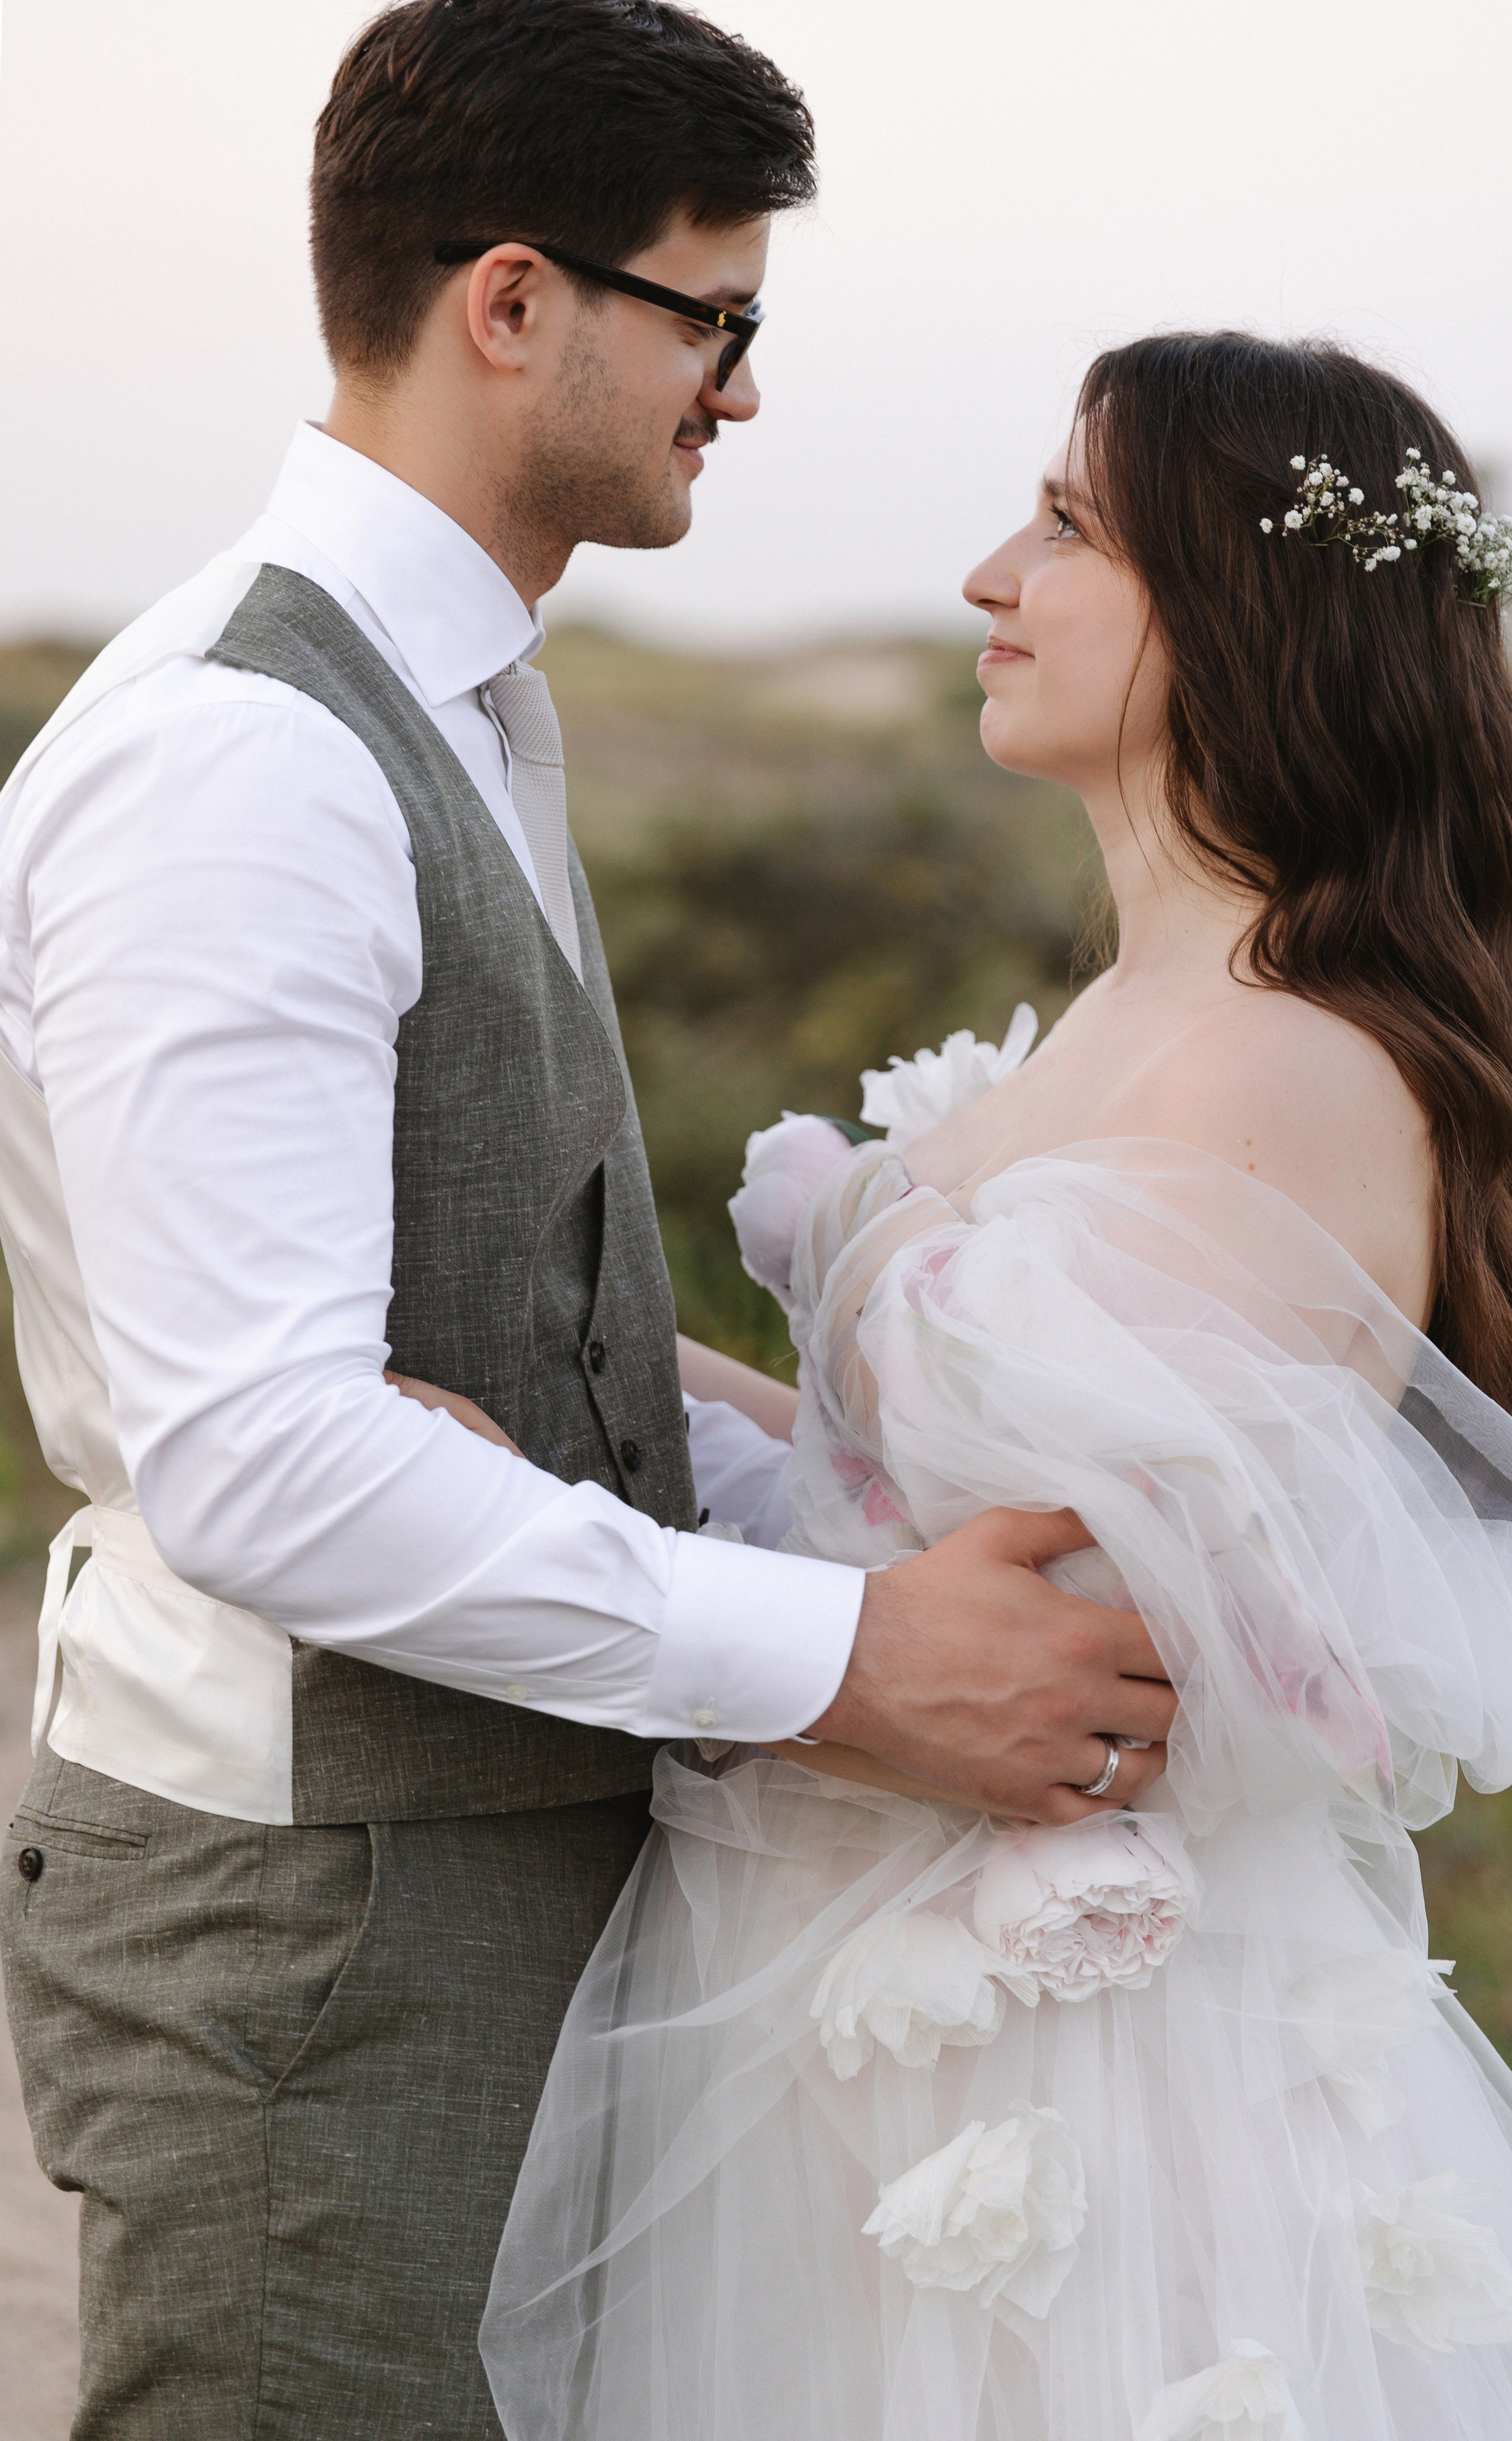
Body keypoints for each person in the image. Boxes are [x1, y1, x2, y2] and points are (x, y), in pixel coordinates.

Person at [0, 6, 1175, 2433]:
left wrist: (875, 1539)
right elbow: (264, 1460)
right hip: (312, 1928)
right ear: (512, 303)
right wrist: (846, 1663)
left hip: (477, 1859)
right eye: (712, 315)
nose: (741, 388)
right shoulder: (250, 757)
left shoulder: (453, 706)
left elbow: (498, 1321)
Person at [480, 334, 1512, 2440]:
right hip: (874, 1953)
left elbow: (1078, 1621)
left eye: (1072, 526)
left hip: (1077, 2035)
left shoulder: (1278, 1057)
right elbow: (894, 1496)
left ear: (1248, 613)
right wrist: (516, 1379)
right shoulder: (1144, 1007)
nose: (993, 573)